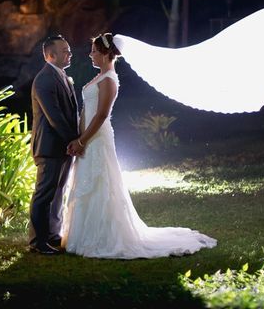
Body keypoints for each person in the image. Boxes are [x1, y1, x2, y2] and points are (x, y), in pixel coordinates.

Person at [62, 33, 216, 259]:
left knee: (101, 183)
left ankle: (103, 236)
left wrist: (83, 139)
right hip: (87, 136)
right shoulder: (100, 77)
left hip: (96, 138)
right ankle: (81, 234)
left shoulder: (109, 80)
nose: (90, 54)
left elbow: (102, 115)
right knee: (87, 183)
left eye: (94, 51)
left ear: (105, 54)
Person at [29, 35, 79, 255]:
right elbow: (55, 117)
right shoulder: (44, 79)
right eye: (65, 50)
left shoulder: (61, 76)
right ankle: (37, 242)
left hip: (62, 148)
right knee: (44, 195)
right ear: (51, 55)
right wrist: (75, 140)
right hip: (49, 148)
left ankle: (52, 235)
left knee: (58, 193)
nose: (69, 53)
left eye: (69, 49)